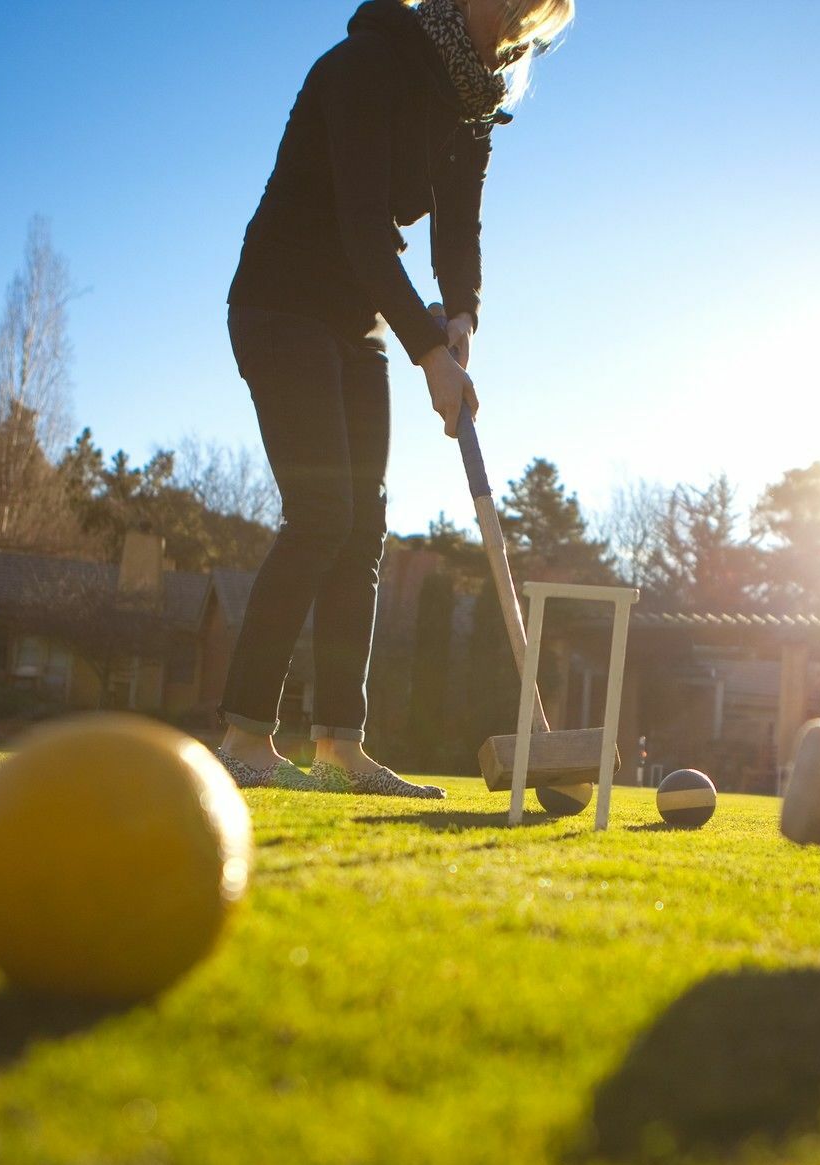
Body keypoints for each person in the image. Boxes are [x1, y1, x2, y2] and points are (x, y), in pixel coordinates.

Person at [214, 0, 574, 796]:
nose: (517, 24)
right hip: (281, 304)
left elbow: (458, 230)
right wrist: (425, 350)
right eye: (511, 3)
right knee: (321, 516)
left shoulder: (473, 105)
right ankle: (243, 736)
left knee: (363, 531)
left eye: (534, 16)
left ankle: (342, 746)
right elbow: (359, 227)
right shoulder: (367, 66)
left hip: (353, 320)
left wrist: (462, 316)